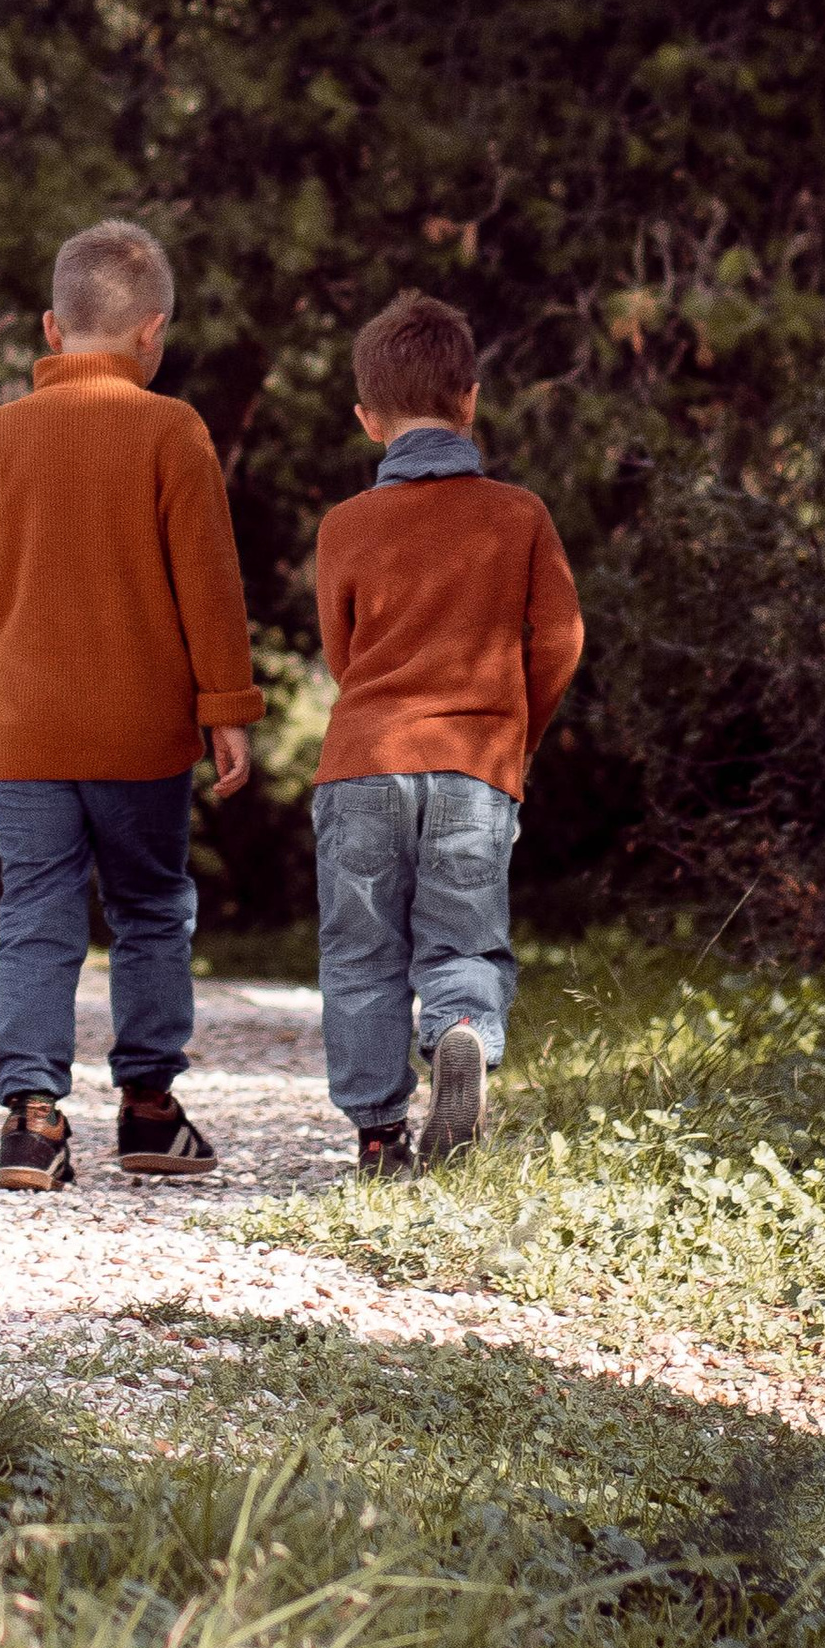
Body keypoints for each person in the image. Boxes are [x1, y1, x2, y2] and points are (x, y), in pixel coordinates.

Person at [0, 216, 263, 1192]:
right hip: (140, 734)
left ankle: (32, 1123)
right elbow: (210, 585)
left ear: (51, 328)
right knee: (150, 910)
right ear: (153, 333)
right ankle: (149, 1110)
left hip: (23, 734)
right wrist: (225, 707)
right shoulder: (171, 429)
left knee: (34, 914)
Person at [311, 288, 583, 1178]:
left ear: (366, 419)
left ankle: (379, 1138)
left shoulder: (345, 526)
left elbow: (343, 653)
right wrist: (517, 735)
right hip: (474, 767)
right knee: (462, 938)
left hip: (363, 763)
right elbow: (562, 639)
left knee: (362, 952)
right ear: (470, 399)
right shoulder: (519, 514)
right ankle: (461, 1028)